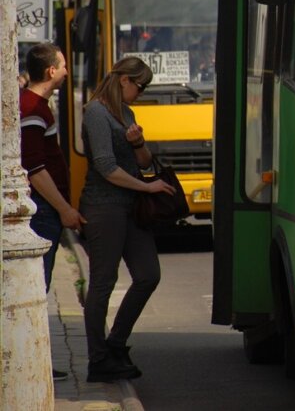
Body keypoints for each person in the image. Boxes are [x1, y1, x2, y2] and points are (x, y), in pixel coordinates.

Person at [80, 56, 176, 383]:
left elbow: (145, 162)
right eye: (140, 85)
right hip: (103, 206)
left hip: (131, 206)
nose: (142, 91)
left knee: (148, 274)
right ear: (124, 80)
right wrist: (146, 187)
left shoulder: (127, 113)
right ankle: (99, 359)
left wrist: (138, 143)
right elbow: (106, 167)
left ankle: (116, 342)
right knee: (103, 282)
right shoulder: (95, 112)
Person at [20, 42, 85, 383]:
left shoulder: (37, 105)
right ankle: (31, 362)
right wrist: (64, 209)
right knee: (35, 288)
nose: (65, 71)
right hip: (44, 210)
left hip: (48, 208)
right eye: (62, 66)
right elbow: (34, 166)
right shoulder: (33, 107)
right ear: (50, 71)